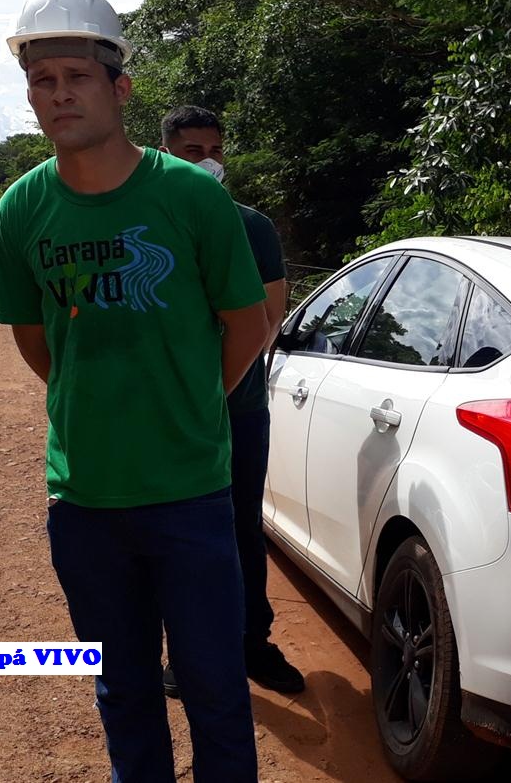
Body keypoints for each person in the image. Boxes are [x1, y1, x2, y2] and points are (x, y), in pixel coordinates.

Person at [0, 0, 269, 780]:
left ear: (120, 87)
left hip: (189, 493)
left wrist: (187, 403)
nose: (59, 94)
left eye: (77, 76)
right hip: (83, 500)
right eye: (42, 81)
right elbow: (37, 340)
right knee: (123, 687)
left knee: (216, 686)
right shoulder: (20, 209)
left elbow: (246, 324)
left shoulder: (191, 197)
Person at [157, 104, 304, 695]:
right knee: (173, 533)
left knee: (240, 528)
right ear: (165, 152)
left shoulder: (251, 227)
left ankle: (252, 643)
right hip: (165, 413)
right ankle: (186, 653)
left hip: (238, 410)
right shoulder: (148, 222)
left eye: (215, 150)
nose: (208, 162)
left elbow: (268, 318)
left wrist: (213, 392)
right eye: (192, 152)